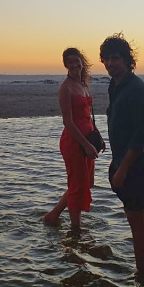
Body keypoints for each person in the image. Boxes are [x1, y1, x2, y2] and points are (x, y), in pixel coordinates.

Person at [99, 33, 144, 272]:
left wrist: (122, 170)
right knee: (138, 217)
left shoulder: (135, 88)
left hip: (135, 166)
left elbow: (141, 136)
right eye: (106, 59)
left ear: (126, 59)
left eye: (115, 58)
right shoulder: (116, 85)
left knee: (136, 221)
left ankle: (142, 276)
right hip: (124, 162)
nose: (111, 63)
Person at [44, 47, 103, 229]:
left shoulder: (84, 84)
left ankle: (53, 215)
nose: (74, 65)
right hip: (74, 142)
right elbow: (68, 122)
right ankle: (76, 230)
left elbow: (87, 116)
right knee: (78, 187)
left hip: (88, 141)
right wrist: (86, 145)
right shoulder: (66, 88)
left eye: (76, 61)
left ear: (81, 62)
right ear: (65, 65)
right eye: (70, 62)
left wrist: (98, 138)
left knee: (87, 183)